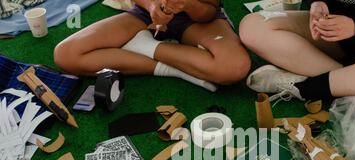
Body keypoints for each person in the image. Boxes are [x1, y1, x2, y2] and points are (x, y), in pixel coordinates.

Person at [54, 0, 251, 92]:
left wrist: (189, 4)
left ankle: (145, 46)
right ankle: (174, 68)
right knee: (66, 54)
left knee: (234, 68)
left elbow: (208, 11)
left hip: (197, 21)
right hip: (144, 13)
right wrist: (151, 6)